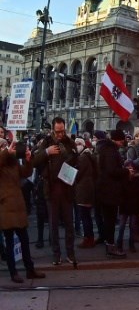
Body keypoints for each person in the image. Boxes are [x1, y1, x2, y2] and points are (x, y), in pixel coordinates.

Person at [32, 116, 79, 266]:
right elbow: (35, 161)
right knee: (53, 225)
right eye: (58, 131)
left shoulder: (69, 141)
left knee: (69, 224)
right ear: (53, 129)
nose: (60, 134)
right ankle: (56, 254)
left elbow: (76, 160)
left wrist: (70, 159)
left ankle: (70, 253)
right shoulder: (47, 141)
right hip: (51, 189)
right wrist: (46, 152)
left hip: (66, 188)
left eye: (62, 131)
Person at [1, 138, 46, 283]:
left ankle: (30, 269)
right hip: (6, 206)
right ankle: (13, 272)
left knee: (25, 240)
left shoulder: (13, 163)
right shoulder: (2, 162)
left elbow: (25, 173)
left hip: (18, 206)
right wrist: (7, 151)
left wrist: (28, 160)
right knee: (9, 242)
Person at [96, 130, 131, 258]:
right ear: (116, 140)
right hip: (109, 190)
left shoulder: (105, 149)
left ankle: (109, 244)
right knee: (110, 219)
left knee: (108, 219)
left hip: (106, 189)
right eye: (121, 141)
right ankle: (110, 246)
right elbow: (112, 170)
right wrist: (126, 171)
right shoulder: (110, 150)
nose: (122, 143)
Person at [74, 138, 97, 249]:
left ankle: (88, 239)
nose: (76, 146)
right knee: (86, 215)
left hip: (84, 188)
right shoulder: (88, 155)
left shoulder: (83, 157)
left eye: (78, 144)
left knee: (85, 216)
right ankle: (89, 238)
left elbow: (78, 173)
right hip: (88, 187)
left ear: (83, 145)